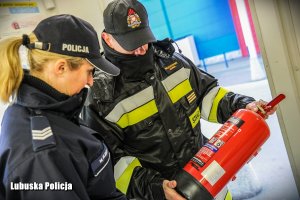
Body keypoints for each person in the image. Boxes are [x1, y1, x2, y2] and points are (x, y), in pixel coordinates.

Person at [82, 0, 277, 199]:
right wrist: (158, 189)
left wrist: (243, 105)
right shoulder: (100, 96)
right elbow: (113, 162)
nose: (141, 49)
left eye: (143, 39)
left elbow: (208, 96)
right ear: (107, 38)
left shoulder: (173, 62)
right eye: (131, 43)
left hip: (206, 177)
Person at [0, 14, 127, 200]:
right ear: (61, 68)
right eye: (89, 71)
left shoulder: (52, 109)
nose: (91, 82)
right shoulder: (44, 156)